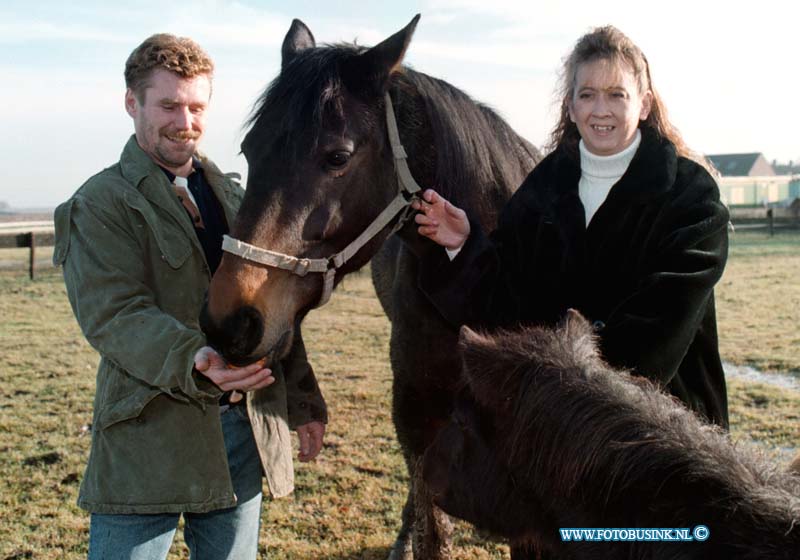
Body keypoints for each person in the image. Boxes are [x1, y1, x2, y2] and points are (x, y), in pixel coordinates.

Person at [52, 33, 327, 559]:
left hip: (242, 438)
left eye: (197, 106)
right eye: (169, 105)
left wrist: (305, 399)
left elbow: (272, 303)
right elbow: (115, 315)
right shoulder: (101, 202)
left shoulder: (236, 196)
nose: (185, 121)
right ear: (132, 103)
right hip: (148, 437)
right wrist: (195, 360)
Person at [413, 25, 729, 428]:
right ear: (571, 105)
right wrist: (465, 245)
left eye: (617, 94)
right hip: (557, 431)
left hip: (664, 440)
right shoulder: (544, 187)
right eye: (587, 95)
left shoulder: (690, 197)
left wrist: (556, 393)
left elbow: (656, 332)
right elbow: (506, 309)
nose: (601, 110)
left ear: (644, 104)